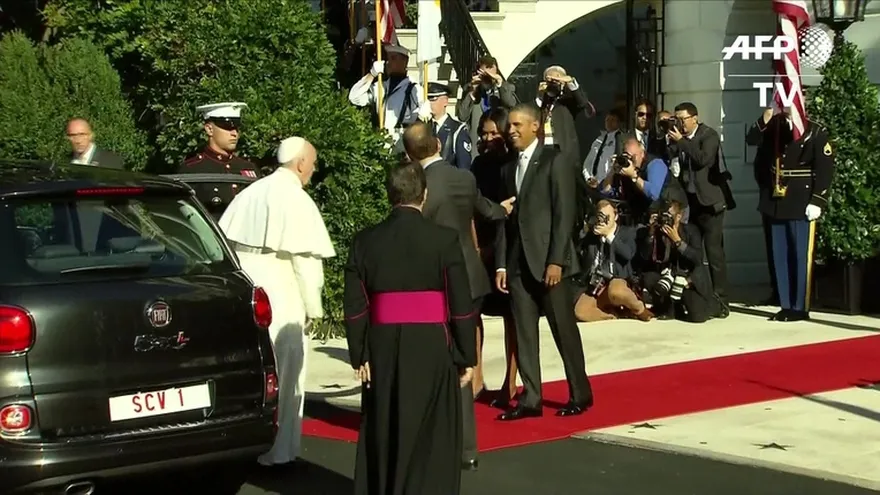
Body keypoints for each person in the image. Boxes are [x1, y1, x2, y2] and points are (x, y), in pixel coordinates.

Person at [344, 162, 477, 495]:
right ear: (425, 194)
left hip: (382, 345)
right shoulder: (444, 240)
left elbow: (356, 306)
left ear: (390, 195)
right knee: (432, 431)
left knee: (385, 426)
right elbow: (461, 307)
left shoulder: (365, 242)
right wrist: (465, 355)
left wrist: (360, 353)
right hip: (432, 344)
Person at [218, 136, 336, 466]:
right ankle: (278, 453)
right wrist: (314, 308)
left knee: (254, 373)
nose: (312, 170)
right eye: (311, 163)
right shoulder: (296, 200)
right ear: (300, 163)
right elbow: (306, 264)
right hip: (282, 294)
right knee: (287, 375)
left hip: (249, 291)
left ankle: (247, 447)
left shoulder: (252, 191)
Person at [402, 120, 512, 470]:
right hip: (469, 276)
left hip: (433, 280)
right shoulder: (464, 177)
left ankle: (430, 432)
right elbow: (486, 210)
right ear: (437, 144)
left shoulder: (417, 184)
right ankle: (466, 446)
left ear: (409, 153)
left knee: (431, 360)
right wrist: (505, 209)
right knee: (461, 362)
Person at [495, 103, 592, 421]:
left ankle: (580, 393)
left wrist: (556, 261)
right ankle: (531, 399)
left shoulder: (556, 161)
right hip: (519, 264)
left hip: (551, 264)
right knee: (524, 333)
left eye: (517, 125)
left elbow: (564, 215)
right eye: (509, 126)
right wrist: (502, 265)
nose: (511, 131)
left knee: (563, 330)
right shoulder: (509, 169)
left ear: (535, 126)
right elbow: (507, 222)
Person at [756, 111, 834, 322]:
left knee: (800, 255)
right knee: (779, 255)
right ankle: (786, 304)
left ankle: (800, 306)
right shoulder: (774, 127)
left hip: (801, 198)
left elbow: (825, 168)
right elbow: (753, 140)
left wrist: (818, 199)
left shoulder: (815, 130)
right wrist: (764, 119)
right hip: (777, 198)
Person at [470, 108, 519, 408]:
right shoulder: (477, 165)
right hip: (480, 245)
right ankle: (476, 377)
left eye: (493, 134)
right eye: (484, 133)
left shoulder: (515, 165)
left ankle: (510, 382)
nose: (488, 139)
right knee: (473, 313)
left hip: (508, 247)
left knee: (510, 316)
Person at [668, 102, 734, 316]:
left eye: (683, 119)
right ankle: (698, 293)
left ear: (694, 118)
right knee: (693, 252)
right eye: (676, 119)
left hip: (711, 204)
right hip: (692, 204)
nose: (680, 123)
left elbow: (703, 159)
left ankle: (721, 300)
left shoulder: (708, 135)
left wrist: (682, 141)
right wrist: (670, 140)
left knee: (714, 253)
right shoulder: (681, 139)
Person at [572, 199, 653, 322]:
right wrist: (587, 231)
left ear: (615, 217)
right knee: (580, 312)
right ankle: (610, 315)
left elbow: (628, 254)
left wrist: (609, 236)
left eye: (606, 217)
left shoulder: (627, 232)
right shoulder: (592, 237)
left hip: (619, 280)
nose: (602, 221)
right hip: (598, 284)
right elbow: (582, 257)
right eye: (600, 216)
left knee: (616, 290)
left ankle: (639, 309)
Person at [637, 200, 716, 322]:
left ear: (678, 217)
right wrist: (651, 234)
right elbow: (644, 256)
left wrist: (678, 241)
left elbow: (697, 258)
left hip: (687, 278)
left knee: (698, 317)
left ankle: (685, 303)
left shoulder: (691, 231)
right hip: (666, 276)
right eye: (662, 215)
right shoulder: (657, 231)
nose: (665, 219)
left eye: (668, 216)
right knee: (649, 278)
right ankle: (669, 307)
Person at [180, 102, 261, 217]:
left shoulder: (248, 168)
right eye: (227, 127)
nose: (234, 133)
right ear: (209, 129)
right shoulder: (192, 169)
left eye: (236, 128)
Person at [348, 44, 426, 149]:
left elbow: (424, 116)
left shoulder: (414, 89)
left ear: (405, 62)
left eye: (393, 58)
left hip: (402, 142)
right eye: (387, 58)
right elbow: (354, 98)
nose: (388, 63)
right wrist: (371, 74)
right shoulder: (381, 86)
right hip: (382, 141)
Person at [746, 107, 783, 305]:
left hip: (791, 195)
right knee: (772, 246)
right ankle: (777, 290)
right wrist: (765, 119)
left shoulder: (799, 124)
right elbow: (751, 139)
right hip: (769, 194)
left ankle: (791, 294)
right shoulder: (769, 124)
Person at [456, 55, 518, 155]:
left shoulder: (506, 88)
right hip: (479, 143)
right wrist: (472, 92)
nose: (488, 78)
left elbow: (511, 105)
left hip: (500, 143)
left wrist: (499, 84)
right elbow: (462, 116)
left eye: (490, 75)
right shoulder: (469, 89)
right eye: (485, 74)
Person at [425, 82, 473, 170]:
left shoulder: (457, 129)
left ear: (445, 101)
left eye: (432, 99)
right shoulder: (424, 128)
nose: (428, 103)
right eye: (427, 99)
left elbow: (464, 168)